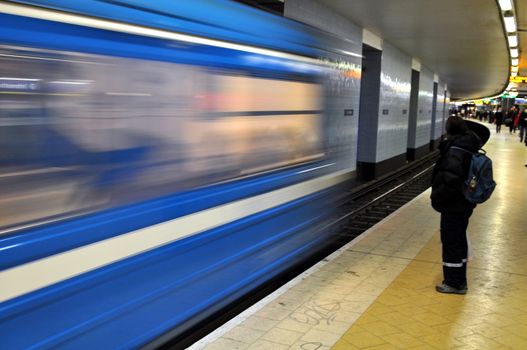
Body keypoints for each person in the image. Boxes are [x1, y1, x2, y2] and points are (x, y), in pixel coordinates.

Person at [430, 116, 487, 294]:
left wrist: (437, 198)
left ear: (449, 130)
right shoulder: (468, 146)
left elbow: (451, 178)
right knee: (458, 239)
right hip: (463, 202)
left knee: (452, 241)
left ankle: (454, 283)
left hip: (454, 203)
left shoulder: (456, 150)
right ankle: (459, 279)